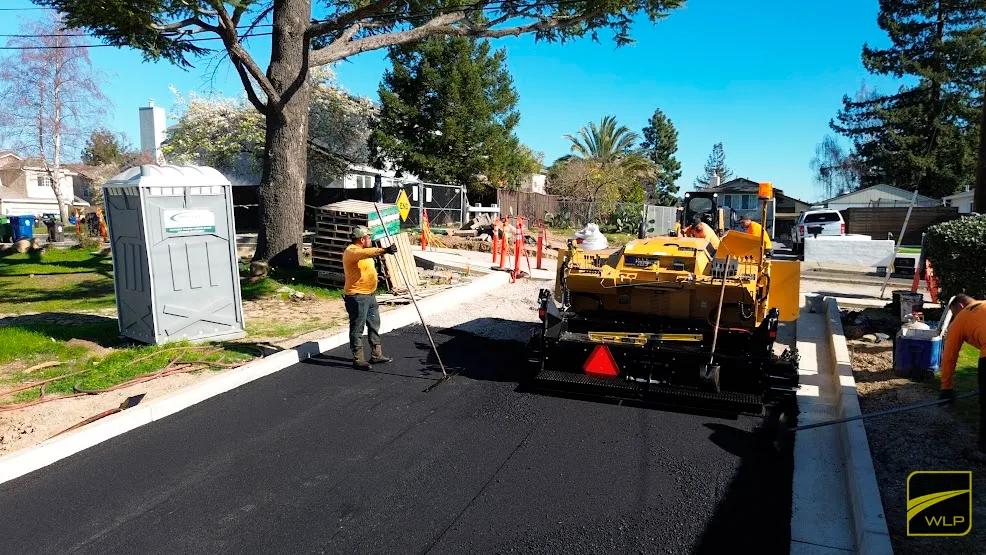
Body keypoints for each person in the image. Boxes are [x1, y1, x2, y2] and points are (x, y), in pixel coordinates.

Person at [343, 226, 398, 369]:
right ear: (362, 239)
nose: (370, 240)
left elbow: (366, 268)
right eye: (369, 237)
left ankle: (376, 354)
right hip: (357, 296)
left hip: (370, 295)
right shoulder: (352, 251)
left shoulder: (363, 253)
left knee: (374, 325)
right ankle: (358, 358)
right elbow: (367, 253)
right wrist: (385, 250)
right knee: (357, 327)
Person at [939, 293, 986, 461]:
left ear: (959, 307)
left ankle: (983, 452)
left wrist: (946, 387)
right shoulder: (984, 304)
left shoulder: (961, 318)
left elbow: (949, 357)